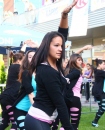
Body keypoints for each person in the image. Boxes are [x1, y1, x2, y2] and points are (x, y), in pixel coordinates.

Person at [24, 1, 78, 130]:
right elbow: (59, 102)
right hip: (37, 121)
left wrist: (64, 16)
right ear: (47, 47)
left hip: (44, 120)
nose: (60, 49)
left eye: (61, 46)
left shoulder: (56, 65)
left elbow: (62, 36)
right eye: (56, 46)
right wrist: (68, 127)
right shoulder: (47, 71)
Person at [13, 50, 36, 130]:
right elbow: (30, 92)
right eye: (30, 57)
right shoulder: (26, 73)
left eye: (35, 56)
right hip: (22, 109)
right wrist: (36, 109)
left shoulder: (42, 73)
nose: (33, 58)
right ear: (27, 60)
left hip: (33, 110)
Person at [0, 52, 23, 130]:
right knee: (15, 124)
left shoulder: (11, 67)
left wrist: (24, 46)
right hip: (11, 98)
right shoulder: (18, 67)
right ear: (20, 60)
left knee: (5, 123)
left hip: (4, 97)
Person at [63, 54, 83, 130]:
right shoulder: (76, 71)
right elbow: (65, 79)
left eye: (81, 60)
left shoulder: (67, 70)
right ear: (74, 61)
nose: (81, 62)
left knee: (65, 125)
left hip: (66, 98)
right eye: (79, 60)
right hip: (74, 99)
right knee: (74, 125)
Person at [92, 59, 105, 127]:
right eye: (103, 64)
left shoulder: (96, 70)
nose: (104, 65)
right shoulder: (101, 72)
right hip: (99, 91)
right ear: (99, 64)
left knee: (101, 107)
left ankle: (95, 121)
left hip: (96, 90)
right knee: (103, 107)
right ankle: (94, 122)